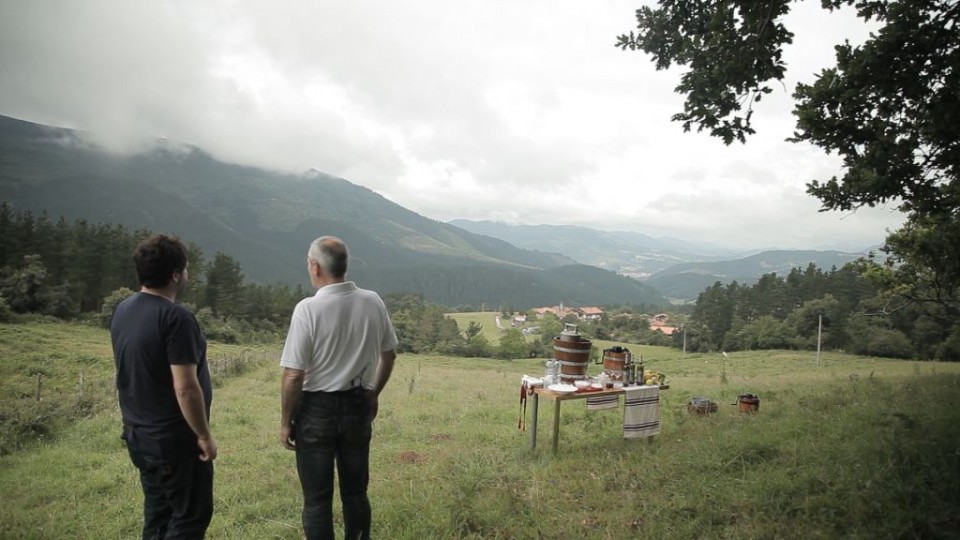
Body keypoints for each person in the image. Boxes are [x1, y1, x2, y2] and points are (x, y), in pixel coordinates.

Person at [279, 236, 398, 540]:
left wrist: (286, 422)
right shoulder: (372, 301)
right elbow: (389, 355)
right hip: (358, 404)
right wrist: (374, 392)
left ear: (315, 267)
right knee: (356, 494)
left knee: (317, 500)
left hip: (316, 411)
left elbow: (293, 375)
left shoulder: (308, 309)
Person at [111, 234, 216, 540]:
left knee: (158, 517)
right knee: (189, 519)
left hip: (139, 435)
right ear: (176, 275)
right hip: (173, 441)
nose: (188, 273)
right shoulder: (175, 318)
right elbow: (185, 387)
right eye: (186, 268)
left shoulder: (124, 309)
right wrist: (203, 435)